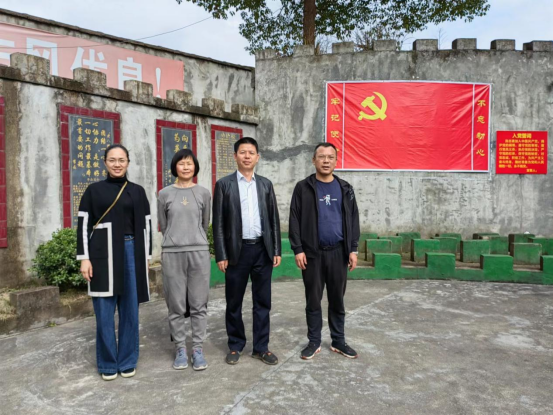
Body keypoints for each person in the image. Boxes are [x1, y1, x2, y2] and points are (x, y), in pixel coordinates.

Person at [77, 144, 152, 380]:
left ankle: (128, 360)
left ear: (128, 162)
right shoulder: (94, 190)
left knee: (130, 310)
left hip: (131, 250)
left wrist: (146, 258)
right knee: (104, 310)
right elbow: (83, 224)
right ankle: (108, 363)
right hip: (102, 252)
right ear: (105, 162)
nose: (117, 164)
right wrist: (84, 258)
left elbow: (146, 225)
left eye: (121, 160)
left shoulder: (137, 191)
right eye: (112, 160)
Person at [212, 137, 282, 365]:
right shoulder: (224, 185)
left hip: (262, 249)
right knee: (234, 301)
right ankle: (235, 345)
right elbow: (218, 223)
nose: (247, 156)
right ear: (235, 156)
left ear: (257, 157)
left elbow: (273, 219)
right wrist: (221, 254)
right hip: (236, 251)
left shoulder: (265, 184)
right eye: (242, 152)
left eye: (251, 153)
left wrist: (276, 249)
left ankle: (261, 347)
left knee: (263, 302)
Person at [289, 142, 360, 360]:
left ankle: (338, 340)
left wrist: (353, 249)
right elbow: (294, 218)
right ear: (314, 160)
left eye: (330, 157)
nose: (326, 161)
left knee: (337, 299)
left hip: (339, 252)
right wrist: (298, 249)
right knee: (313, 300)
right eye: (321, 157)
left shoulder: (345, 188)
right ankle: (314, 341)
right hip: (312, 254)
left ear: (336, 161)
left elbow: (354, 219)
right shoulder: (303, 188)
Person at [157, 149, 211, 371]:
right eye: (181, 163)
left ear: (195, 166)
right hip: (172, 253)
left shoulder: (204, 193)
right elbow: (164, 224)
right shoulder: (164, 194)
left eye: (189, 163)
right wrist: (174, 240)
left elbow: (205, 222)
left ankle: (197, 349)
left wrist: (196, 239)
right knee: (176, 304)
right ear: (174, 167)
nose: (186, 167)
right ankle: (180, 348)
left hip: (199, 252)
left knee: (199, 304)